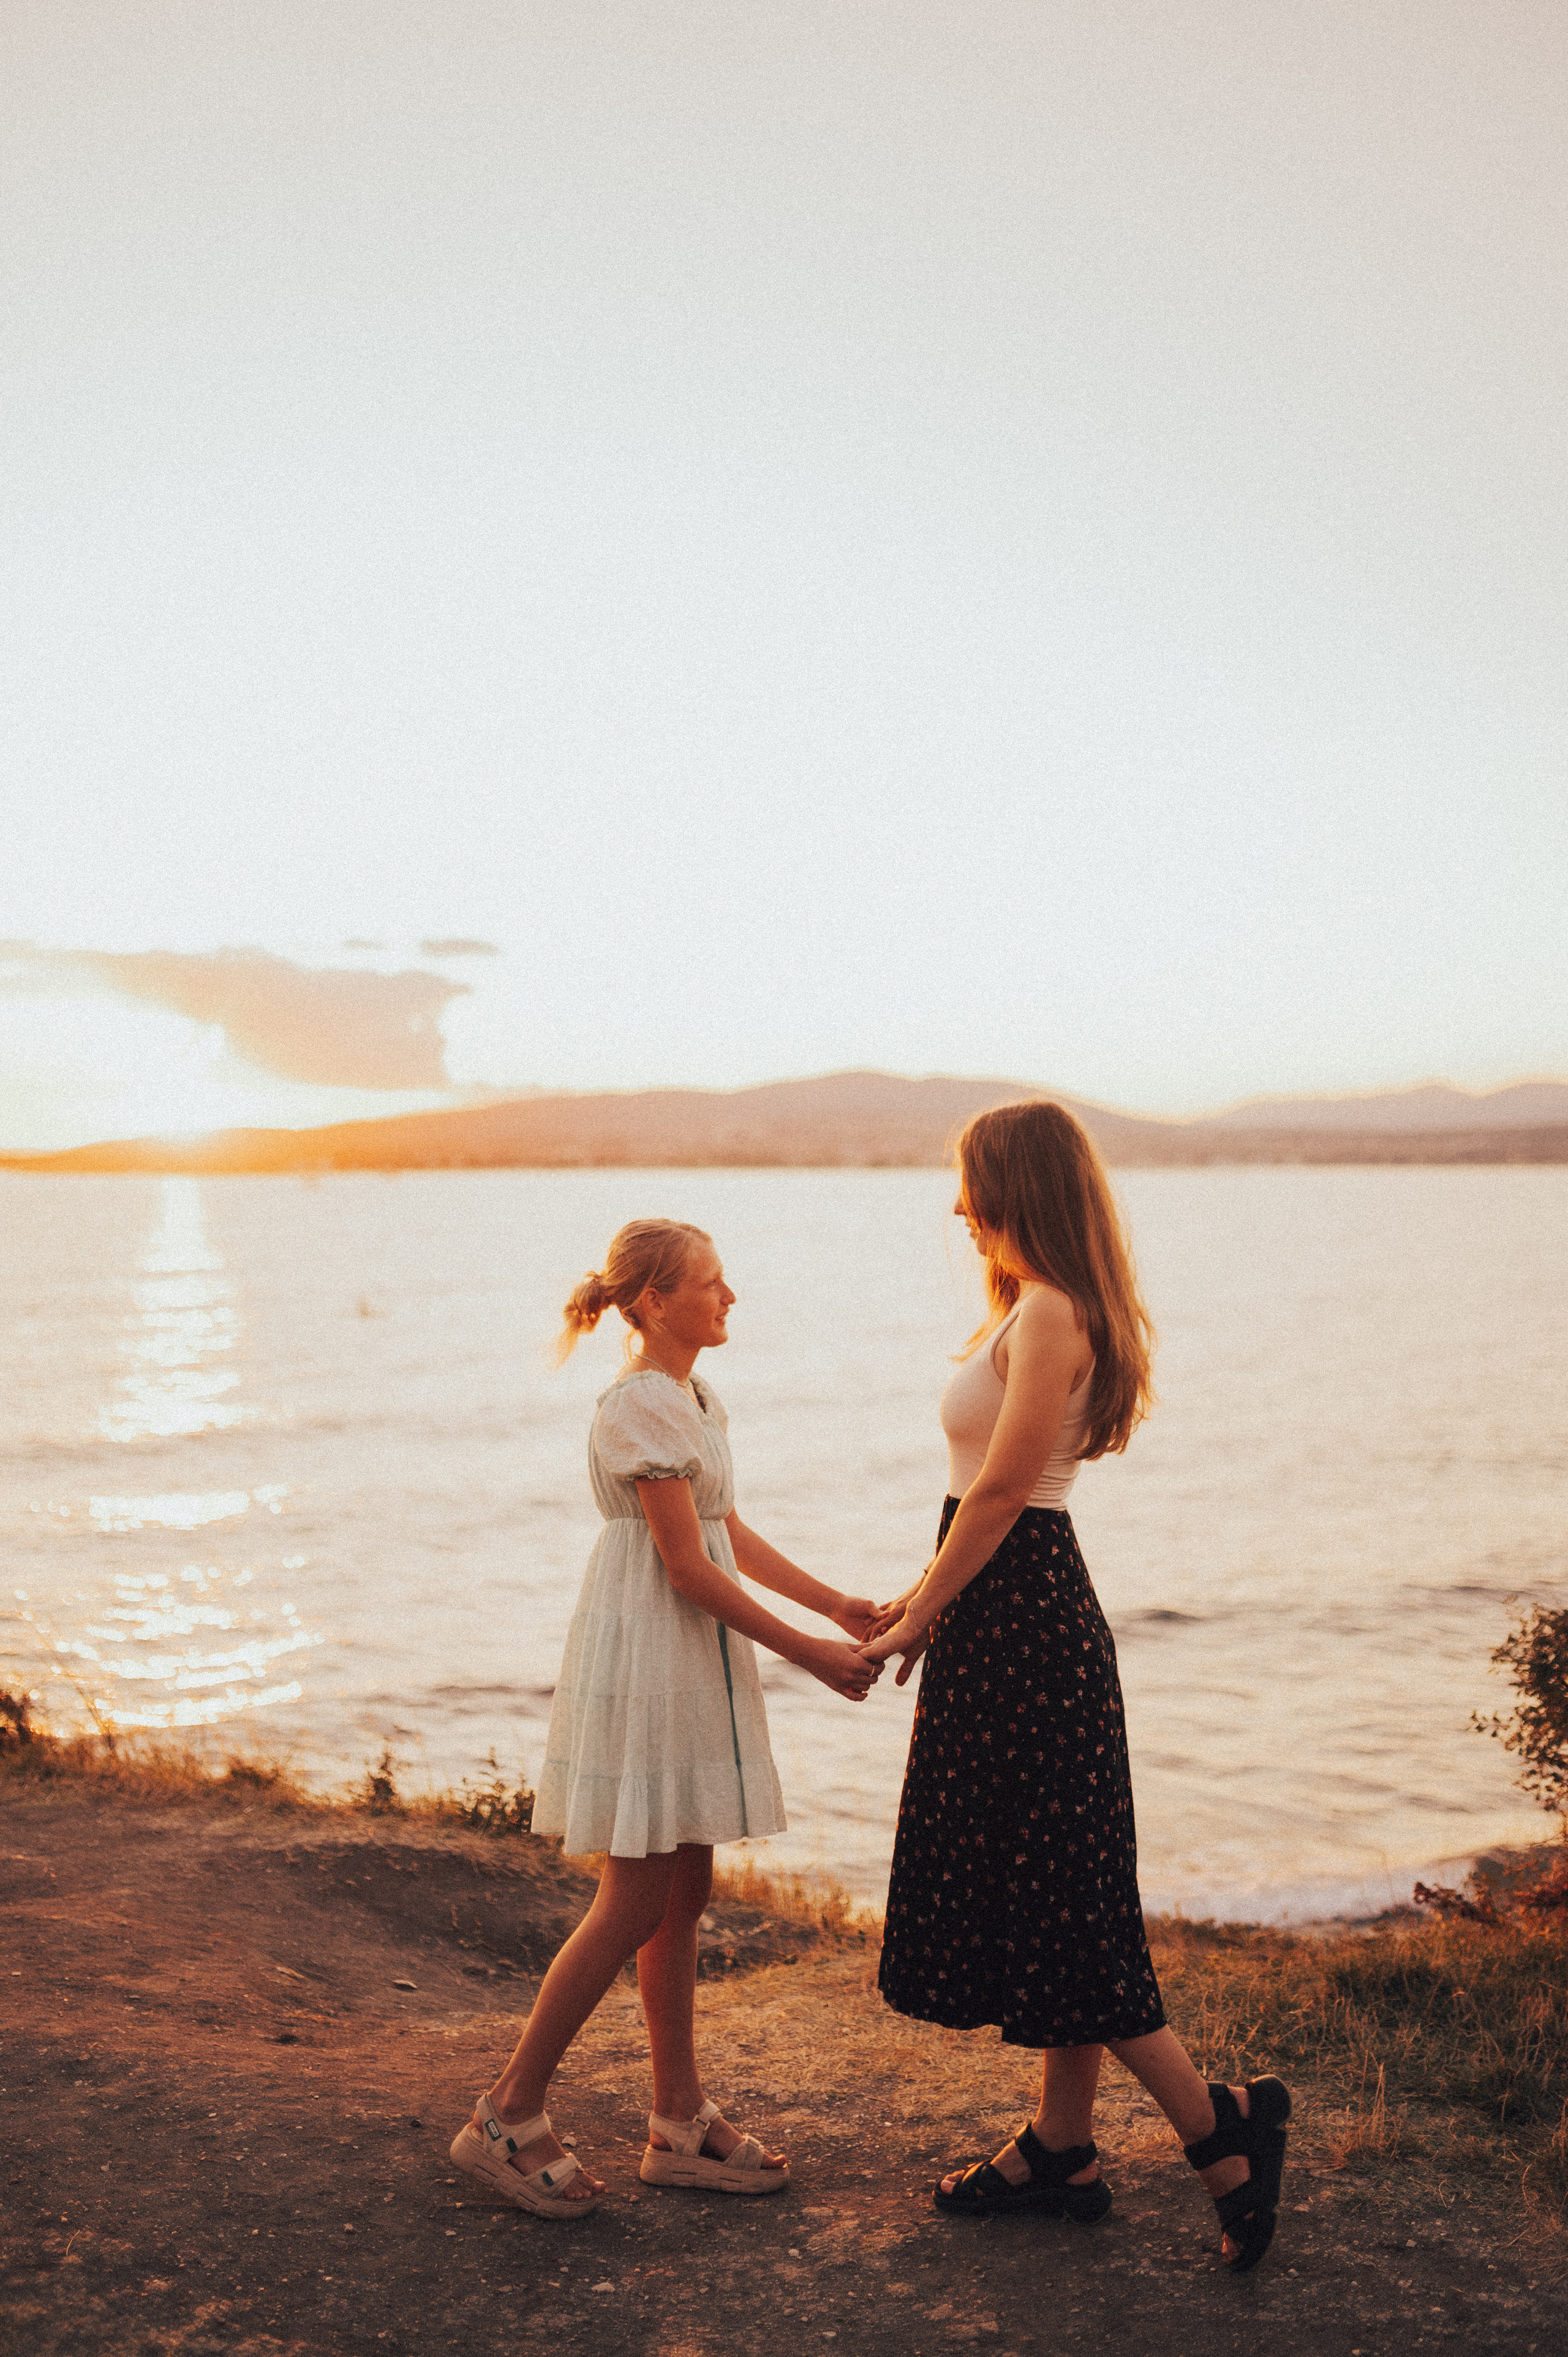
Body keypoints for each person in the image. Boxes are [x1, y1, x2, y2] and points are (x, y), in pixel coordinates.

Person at [861, 1103, 1291, 2274]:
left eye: (971, 1185)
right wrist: (922, 1596)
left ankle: (1223, 2134)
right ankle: (1061, 2148)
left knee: (1070, 1908)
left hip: (1026, 1625)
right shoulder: (1037, 1306)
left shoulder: (1052, 1311)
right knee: (1060, 1895)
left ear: (1016, 1186)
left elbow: (1003, 1491)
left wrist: (923, 1611)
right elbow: (986, 1494)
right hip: (1010, 1610)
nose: (960, 1209)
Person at [451, 1217, 881, 2219]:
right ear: (652, 1301)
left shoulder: (691, 1395)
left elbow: (721, 1528)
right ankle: (506, 2114)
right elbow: (686, 1569)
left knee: (685, 1888)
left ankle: (678, 2121)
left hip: (685, 1651)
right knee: (635, 1897)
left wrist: (834, 1606)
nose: (730, 1297)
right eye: (710, 1282)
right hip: (653, 1647)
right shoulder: (641, 1402)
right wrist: (810, 1653)